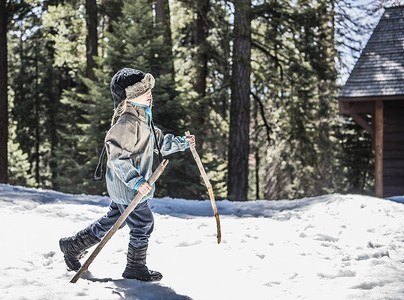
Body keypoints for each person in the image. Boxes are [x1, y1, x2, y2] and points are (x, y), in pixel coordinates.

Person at [59, 68, 195, 282]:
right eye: (143, 90)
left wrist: (182, 143)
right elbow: (117, 158)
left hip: (126, 186)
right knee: (143, 223)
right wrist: (137, 181)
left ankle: (72, 246)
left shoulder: (143, 118)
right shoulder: (127, 123)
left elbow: (159, 142)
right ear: (128, 97)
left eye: (149, 88)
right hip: (128, 186)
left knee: (114, 221)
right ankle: (135, 267)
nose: (149, 93)